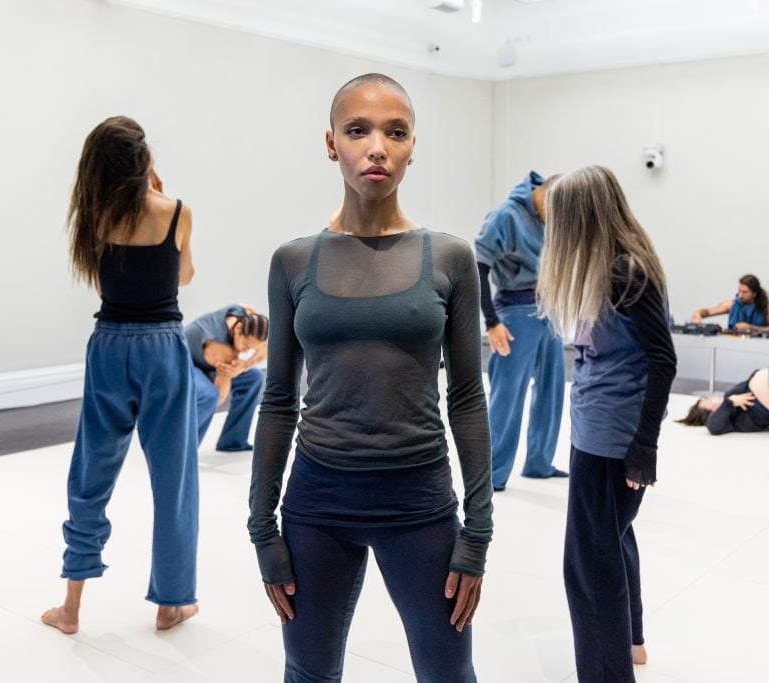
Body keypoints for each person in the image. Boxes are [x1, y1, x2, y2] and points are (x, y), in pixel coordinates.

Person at [247, 73, 493, 683]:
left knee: (448, 674)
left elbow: (467, 397)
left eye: (395, 132)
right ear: (332, 143)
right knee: (308, 672)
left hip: (419, 502)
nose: (376, 147)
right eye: (358, 130)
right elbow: (278, 399)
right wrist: (262, 528)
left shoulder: (453, 258)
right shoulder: (293, 260)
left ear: (413, 146)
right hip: (316, 503)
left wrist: (478, 532)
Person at [42, 116, 199, 635]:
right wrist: (161, 191)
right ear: (143, 161)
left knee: (91, 473)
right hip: (163, 347)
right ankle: (170, 602)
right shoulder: (176, 212)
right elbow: (184, 276)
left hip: (109, 345)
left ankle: (71, 606)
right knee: (173, 478)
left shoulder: (93, 218)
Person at [537, 166, 676, 682]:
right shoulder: (618, 265)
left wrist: (645, 446)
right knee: (613, 541)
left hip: (611, 437)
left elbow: (663, 359)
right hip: (602, 428)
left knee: (589, 571)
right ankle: (631, 641)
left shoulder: (624, 271)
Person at [474, 171, 566, 492]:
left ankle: (539, 463)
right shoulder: (506, 216)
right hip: (515, 311)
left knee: (552, 389)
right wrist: (491, 322)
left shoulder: (547, 217)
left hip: (548, 309)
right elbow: (478, 267)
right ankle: (492, 474)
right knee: (507, 395)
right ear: (545, 195)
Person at [184, 305, 268, 451]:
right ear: (238, 329)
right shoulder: (222, 348)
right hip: (185, 362)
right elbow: (220, 398)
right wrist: (230, 373)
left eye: (251, 348)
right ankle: (183, 450)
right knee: (210, 395)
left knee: (254, 377)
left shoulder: (244, 313)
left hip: (209, 360)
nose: (246, 350)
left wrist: (245, 365)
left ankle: (232, 441)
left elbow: (266, 347)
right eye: (246, 345)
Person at [690, 274, 769, 333]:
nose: (740, 295)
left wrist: (751, 327)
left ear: (754, 293)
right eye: (739, 291)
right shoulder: (731, 304)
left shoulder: (768, 307)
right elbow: (706, 312)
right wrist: (697, 315)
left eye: (745, 292)